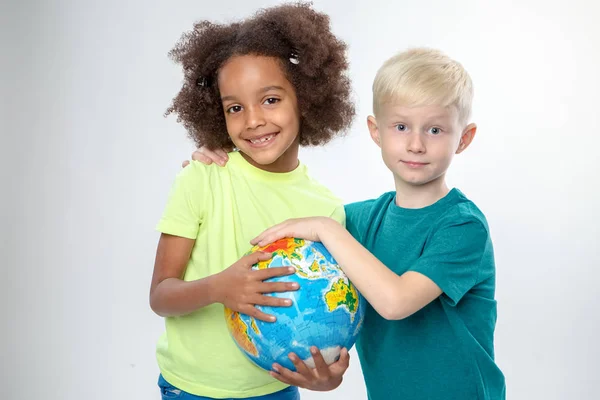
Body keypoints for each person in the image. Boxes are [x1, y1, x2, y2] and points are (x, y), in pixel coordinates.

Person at [192, 48, 506, 399]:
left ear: (464, 138)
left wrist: (325, 229)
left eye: (435, 129)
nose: (416, 144)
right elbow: (277, 210)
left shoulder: (462, 227)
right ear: (376, 131)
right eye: (401, 126)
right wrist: (222, 166)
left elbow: (395, 302)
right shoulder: (357, 220)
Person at [151, 3, 355, 399]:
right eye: (235, 108)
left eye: (271, 100)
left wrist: (328, 379)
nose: (253, 120)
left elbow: (331, 323)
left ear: (307, 98)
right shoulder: (203, 177)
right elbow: (160, 295)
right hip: (191, 390)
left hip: (276, 390)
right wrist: (219, 288)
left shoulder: (327, 212)